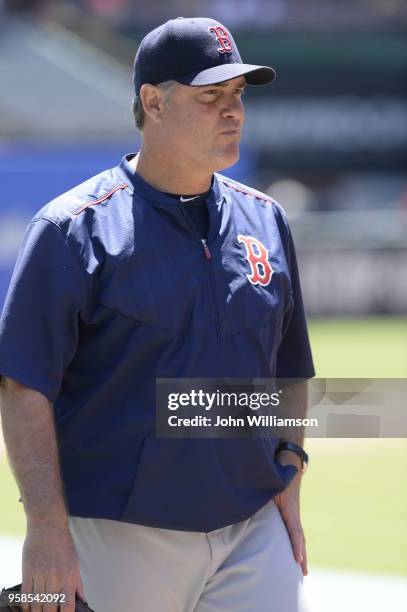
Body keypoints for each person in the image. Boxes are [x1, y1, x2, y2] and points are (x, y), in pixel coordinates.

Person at [0, 17, 314, 612]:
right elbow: (23, 387)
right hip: (120, 531)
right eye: (209, 96)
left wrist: (291, 469)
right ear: (153, 102)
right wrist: (44, 529)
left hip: (251, 528)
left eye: (238, 95)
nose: (232, 111)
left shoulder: (266, 220)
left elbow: (290, 371)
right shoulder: (72, 229)